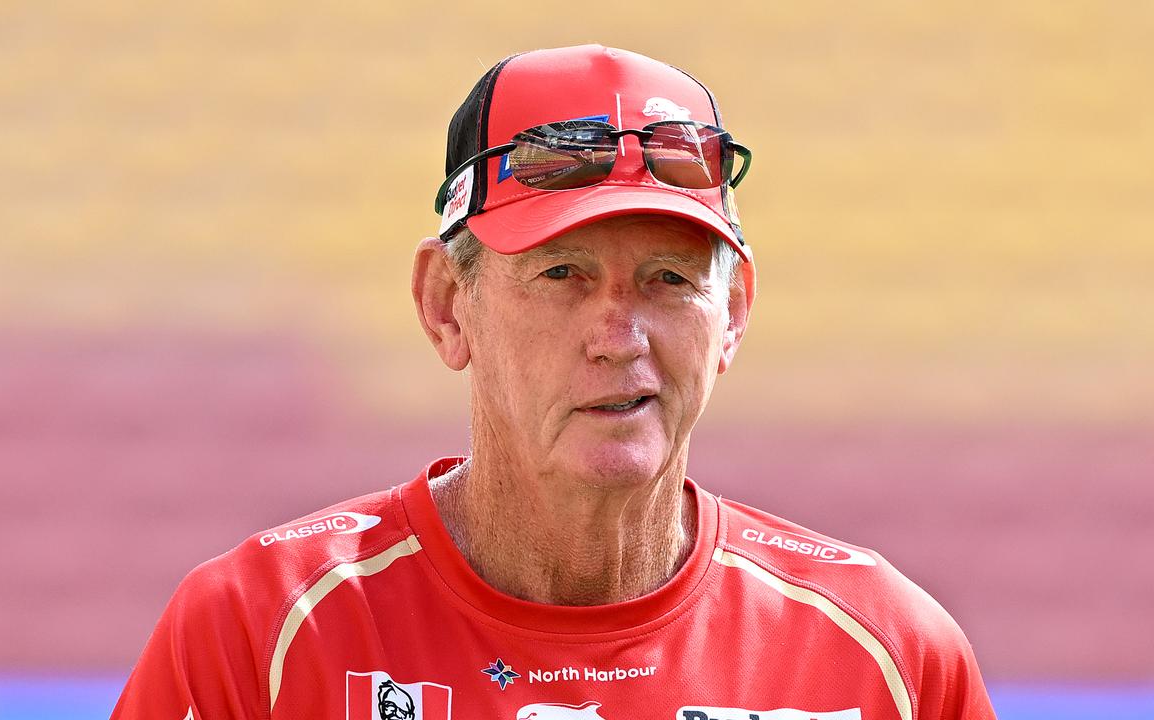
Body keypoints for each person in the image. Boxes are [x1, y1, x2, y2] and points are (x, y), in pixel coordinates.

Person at [111, 44, 997, 720]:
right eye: (562, 274)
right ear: (447, 305)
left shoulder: (889, 658)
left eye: (669, 279)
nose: (619, 337)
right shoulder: (253, 633)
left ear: (732, 313)